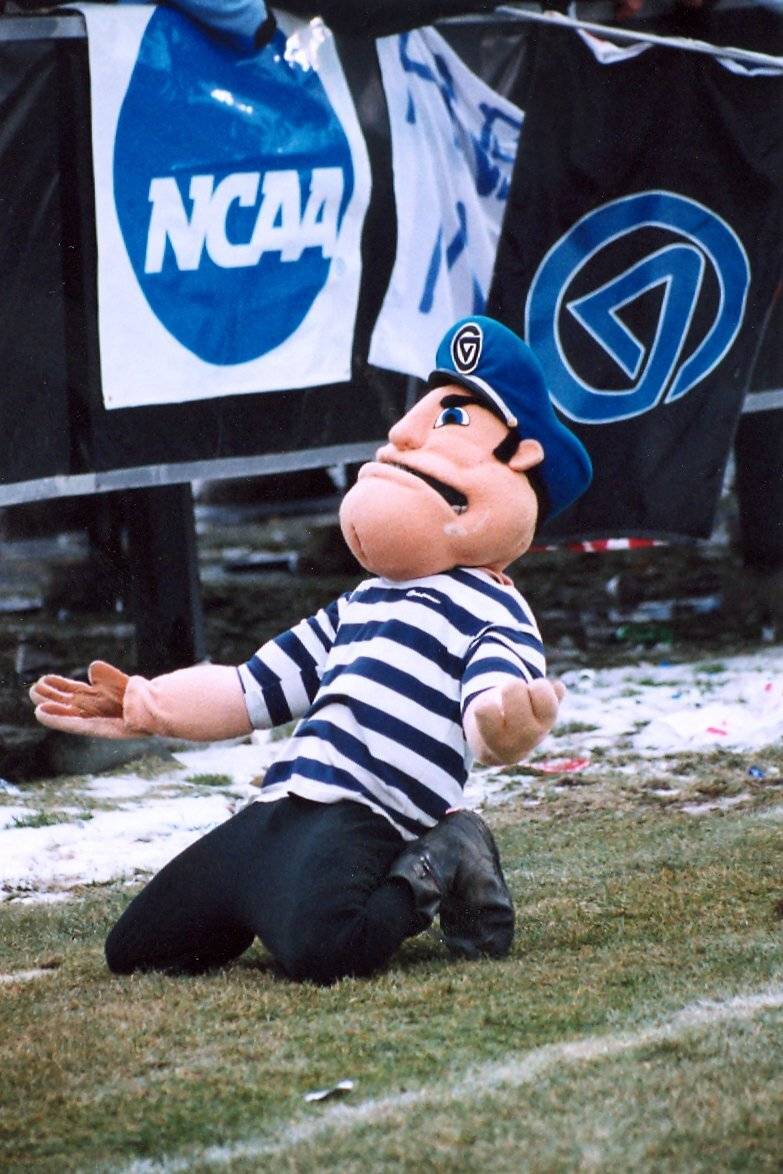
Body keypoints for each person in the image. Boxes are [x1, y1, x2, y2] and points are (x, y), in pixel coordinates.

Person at [29, 316, 592, 985]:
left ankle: (444, 855)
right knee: (137, 949)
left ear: (518, 464)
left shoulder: (494, 608)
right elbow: (251, 688)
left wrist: (505, 723)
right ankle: (274, 892)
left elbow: (490, 704)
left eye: (449, 420)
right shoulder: (363, 599)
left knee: (324, 952)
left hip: (369, 817)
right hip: (280, 804)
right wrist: (145, 704)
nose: (403, 435)